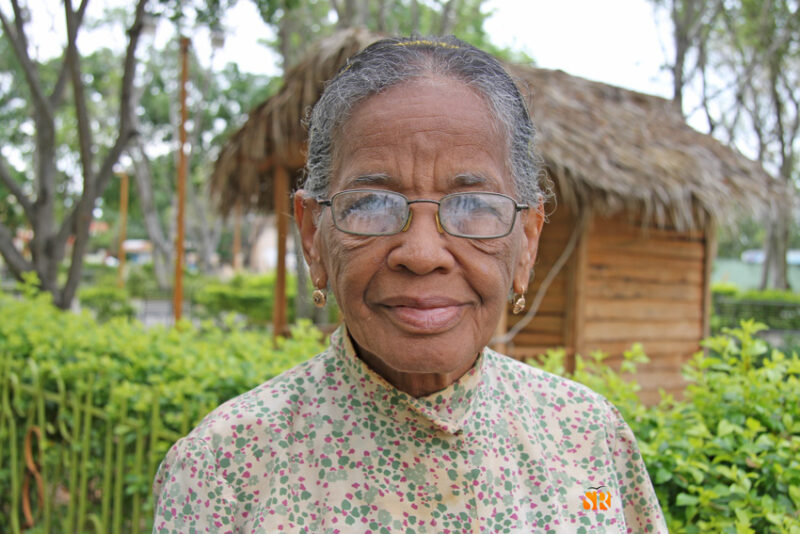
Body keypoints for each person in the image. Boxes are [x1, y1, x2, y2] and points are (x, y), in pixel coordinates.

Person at [152, 36, 667, 533]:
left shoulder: (589, 443)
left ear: (527, 242)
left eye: (473, 207)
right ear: (313, 234)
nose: (422, 254)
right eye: (372, 204)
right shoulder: (224, 471)